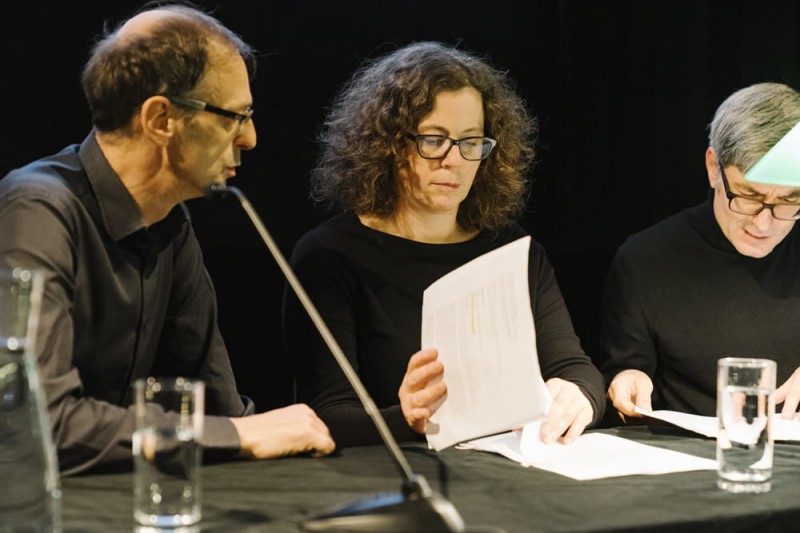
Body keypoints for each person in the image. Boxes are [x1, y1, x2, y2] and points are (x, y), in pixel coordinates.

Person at [0, 4, 334, 475]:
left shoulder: (170, 223)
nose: (252, 139)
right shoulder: (38, 210)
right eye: (234, 116)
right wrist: (238, 435)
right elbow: (36, 423)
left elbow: (222, 411)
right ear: (160, 119)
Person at [282, 41, 606, 449]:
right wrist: (408, 420)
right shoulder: (329, 256)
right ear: (390, 144)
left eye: (471, 142)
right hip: (390, 479)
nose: (453, 160)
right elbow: (327, 416)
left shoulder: (514, 250)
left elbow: (575, 368)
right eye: (434, 140)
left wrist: (579, 396)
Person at [601, 82, 800, 421]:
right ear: (713, 168)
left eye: (789, 200)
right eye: (748, 197)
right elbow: (627, 370)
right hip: (687, 464)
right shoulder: (646, 260)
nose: (764, 224)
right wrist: (627, 380)